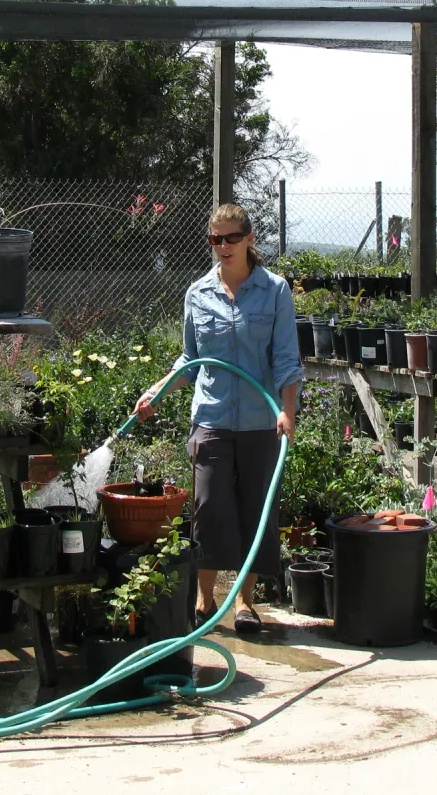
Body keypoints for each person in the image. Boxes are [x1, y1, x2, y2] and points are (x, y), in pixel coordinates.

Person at [133, 203, 301, 635]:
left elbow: (287, 359)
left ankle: (245, 603)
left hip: (260, 422)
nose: (223, 246)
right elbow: (190, 359)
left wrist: (287, 411)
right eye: (216, 239)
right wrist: (156, 393)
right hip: (211, 417)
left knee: (256, 510)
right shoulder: (198, 293)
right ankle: (205, 601)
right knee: (208, 508)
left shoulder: (275, 291)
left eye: (231, 238)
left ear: (249, 239)